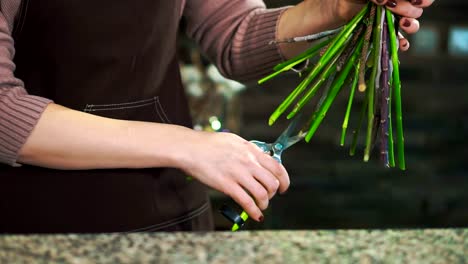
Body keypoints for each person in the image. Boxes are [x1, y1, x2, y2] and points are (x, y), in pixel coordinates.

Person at [0, 0, 433, 233]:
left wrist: (337, 10)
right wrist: (187, 147)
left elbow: (234, 34)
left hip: (164, 216)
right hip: (34, 225)